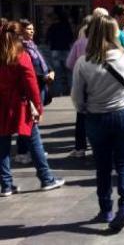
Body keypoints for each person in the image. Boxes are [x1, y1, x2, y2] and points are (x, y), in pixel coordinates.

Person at [71, 15, 124, 231]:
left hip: (97, 117)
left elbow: (76, 95)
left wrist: (83, 109)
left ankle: (106, 209)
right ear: (114, 33)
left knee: (103, 166)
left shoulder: (83, 62)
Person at [0, 21, 65, 198]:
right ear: (18, 36)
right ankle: (46, 178)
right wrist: (38, 107)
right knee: (33, 140)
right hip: (20, 105)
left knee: (3, 145)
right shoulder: (21, 56)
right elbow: (32, 85)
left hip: (2, 105)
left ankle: (5, 185)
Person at [15, 19, 55, 164]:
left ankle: (31, 149)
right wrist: (43, 76)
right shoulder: (21, 48)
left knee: (33, 121)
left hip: (41, 85)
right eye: (29, 29)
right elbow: (28, 70)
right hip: (32, 86)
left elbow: (42, 62)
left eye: (33, 29)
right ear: (21, 30)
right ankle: (24, 151)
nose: (32, 31)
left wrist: (51, 71)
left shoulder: (32, 46)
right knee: (29, 120)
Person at [66, 15, 94, 158]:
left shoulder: (79, 43)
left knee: (81, 116)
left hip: (82, 83)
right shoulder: (103, 43)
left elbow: (69, 63)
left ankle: (80, 148)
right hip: (98, 83)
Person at [45, 11, 73, 95]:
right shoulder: (67, 26)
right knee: (69, 72)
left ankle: (59, 91)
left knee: (58, 73)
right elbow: (71, 38)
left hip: (55, 50)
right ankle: (71, 90)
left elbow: (47, 39)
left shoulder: (52, 27)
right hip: (66, 50)